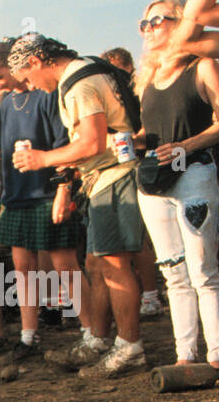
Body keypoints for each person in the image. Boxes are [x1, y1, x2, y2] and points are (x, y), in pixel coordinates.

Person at [9, 33, 148, 379]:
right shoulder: (87, 70)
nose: (31, 86)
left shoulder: (78, 84)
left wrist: (42, 158)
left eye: (27, 77)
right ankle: (99, 340)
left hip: (114, 175)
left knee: (115, 264)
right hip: (103, 177)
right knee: (96, 262)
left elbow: (91, 141)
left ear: (37, 61)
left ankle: (130, 347)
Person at [135, 0, 219, 372]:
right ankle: (185, 355)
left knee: (203, 269)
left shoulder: (203, 66)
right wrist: (133, 139)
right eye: (145, 24)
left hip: (194, 174)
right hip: (155, 184)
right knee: (173, 272)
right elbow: (151, 131)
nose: (150, 29)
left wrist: (185, 147)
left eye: (158, 20)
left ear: (179, 23)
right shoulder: (147, 78)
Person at [0, 41, 90, 362]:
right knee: (22, 267)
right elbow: (1, 148)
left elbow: (64, 145)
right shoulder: (4, 106)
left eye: (0, 77)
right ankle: (28, 337)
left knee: (64, 265)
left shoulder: (48, 97)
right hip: (17, 196)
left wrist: (63, 189)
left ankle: (92, 333)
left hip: (47, 192)